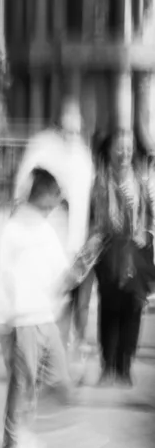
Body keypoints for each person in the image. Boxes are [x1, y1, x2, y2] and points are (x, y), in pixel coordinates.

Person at [0, 169, 73, 448]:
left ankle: (28, 430)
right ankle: (11, 444)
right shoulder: (13, 229)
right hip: (22, 318)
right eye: (53, 197)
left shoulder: (45, 228)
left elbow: (61, 272)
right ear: (42, 195)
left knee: (59, 378)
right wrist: (0, 316)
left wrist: (73, 275)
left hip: (45, 317)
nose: (55, 204)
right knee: (21, 384)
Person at [15, 99, 95, 356]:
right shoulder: (41, 146)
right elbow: (22, 188)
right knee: (45, 302)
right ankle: (41, 354)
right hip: (43, 239)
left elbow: (87, 197)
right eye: (67, 126)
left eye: (75, 127)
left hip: (75, 240)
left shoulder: (83, 154)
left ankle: (61, 351)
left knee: (69, 301)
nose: (71, 133)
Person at [76, 129, 152, 385]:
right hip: (108, 252)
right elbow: (90, 218)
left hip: (135, 253)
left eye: (128, 149)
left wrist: (146, 234)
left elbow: (150, 216)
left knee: (133, 307)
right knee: (109, 308)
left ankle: (124, 366)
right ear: (110, 151)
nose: (124, 153)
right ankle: (108, 365)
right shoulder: (99, 182)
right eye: (119, 148)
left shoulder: (140, 183)